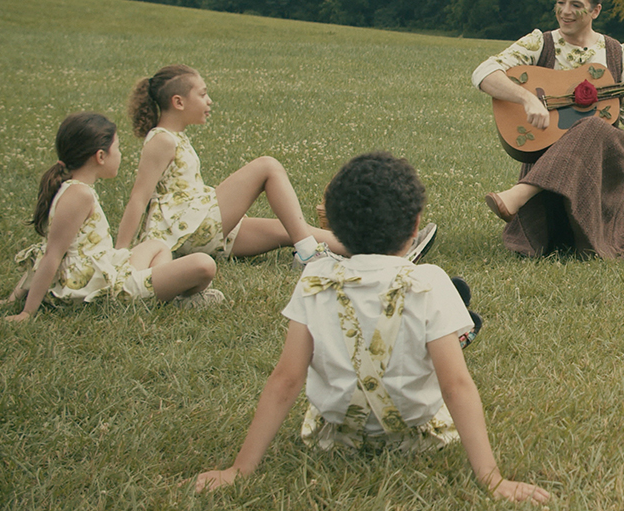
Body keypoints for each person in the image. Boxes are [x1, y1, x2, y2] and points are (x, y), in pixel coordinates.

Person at [194, 151, 550, 505]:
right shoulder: (429, 281)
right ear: (415, 225)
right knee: (434, 324)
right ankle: (451, 326)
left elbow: (286, 380)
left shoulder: (315, 279)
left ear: (334, 228)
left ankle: (444, 326)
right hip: (419, 438)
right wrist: (492, 478)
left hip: (334, 438)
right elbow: (456, 386)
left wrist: (240, 468)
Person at [473, 0, 624, 258]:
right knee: (589, 125)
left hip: (602, 163)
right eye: (560, 2)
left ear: (595, 11)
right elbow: (484, 72)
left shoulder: (617, 52)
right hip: (548, 153)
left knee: (594, 125)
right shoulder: (541, 43)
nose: (565, 12)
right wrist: (527, 99)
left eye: (576, 5)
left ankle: (521, 194)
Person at [116, 64, 354, 265]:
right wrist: (119, 254)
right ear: (178, 102)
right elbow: (138, 197)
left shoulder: (174, 137)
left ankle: (373, 250)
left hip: (200, 230)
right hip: (190, 230)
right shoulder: (162, 140)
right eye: (202, 94)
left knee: (291, 229)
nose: (209, 101)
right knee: (267, 166)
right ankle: (308, 254)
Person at [0, 113, 219, 321]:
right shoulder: (78, 195)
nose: (120, 155)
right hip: (104, 290)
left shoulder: (75, 188)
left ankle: (163, 294)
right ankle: (169, 299)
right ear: (100, 156)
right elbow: (51, 254)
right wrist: (27, 313)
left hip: (106, 270)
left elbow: (45, 251)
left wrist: (13, 298)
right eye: (117, 148)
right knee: (204, 264)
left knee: (156, 246)